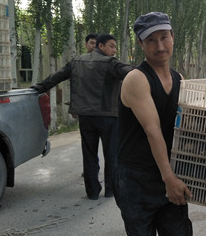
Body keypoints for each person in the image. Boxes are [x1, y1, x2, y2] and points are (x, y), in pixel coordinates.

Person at [114, 12, 195, 236]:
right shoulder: (136, 79)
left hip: (170, 177)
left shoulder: (179, 79)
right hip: (136, 180)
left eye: (164, 37)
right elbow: (152, 130)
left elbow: (186, 130)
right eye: (151, 40)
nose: (160, 46)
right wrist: (169, 179)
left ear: (173, 37)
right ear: (141, 44)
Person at [31, 34, 134, 200]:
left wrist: (38, 88)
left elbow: (57, 76)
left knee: (89, 154)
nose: (114, 50)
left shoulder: (76, 62)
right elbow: (133, 73)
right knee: (112, 154)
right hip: (108, 116)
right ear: (100, 46)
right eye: (111, 46)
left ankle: (92, 192)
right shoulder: (111, 64)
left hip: (86, 116)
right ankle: (111, 190)